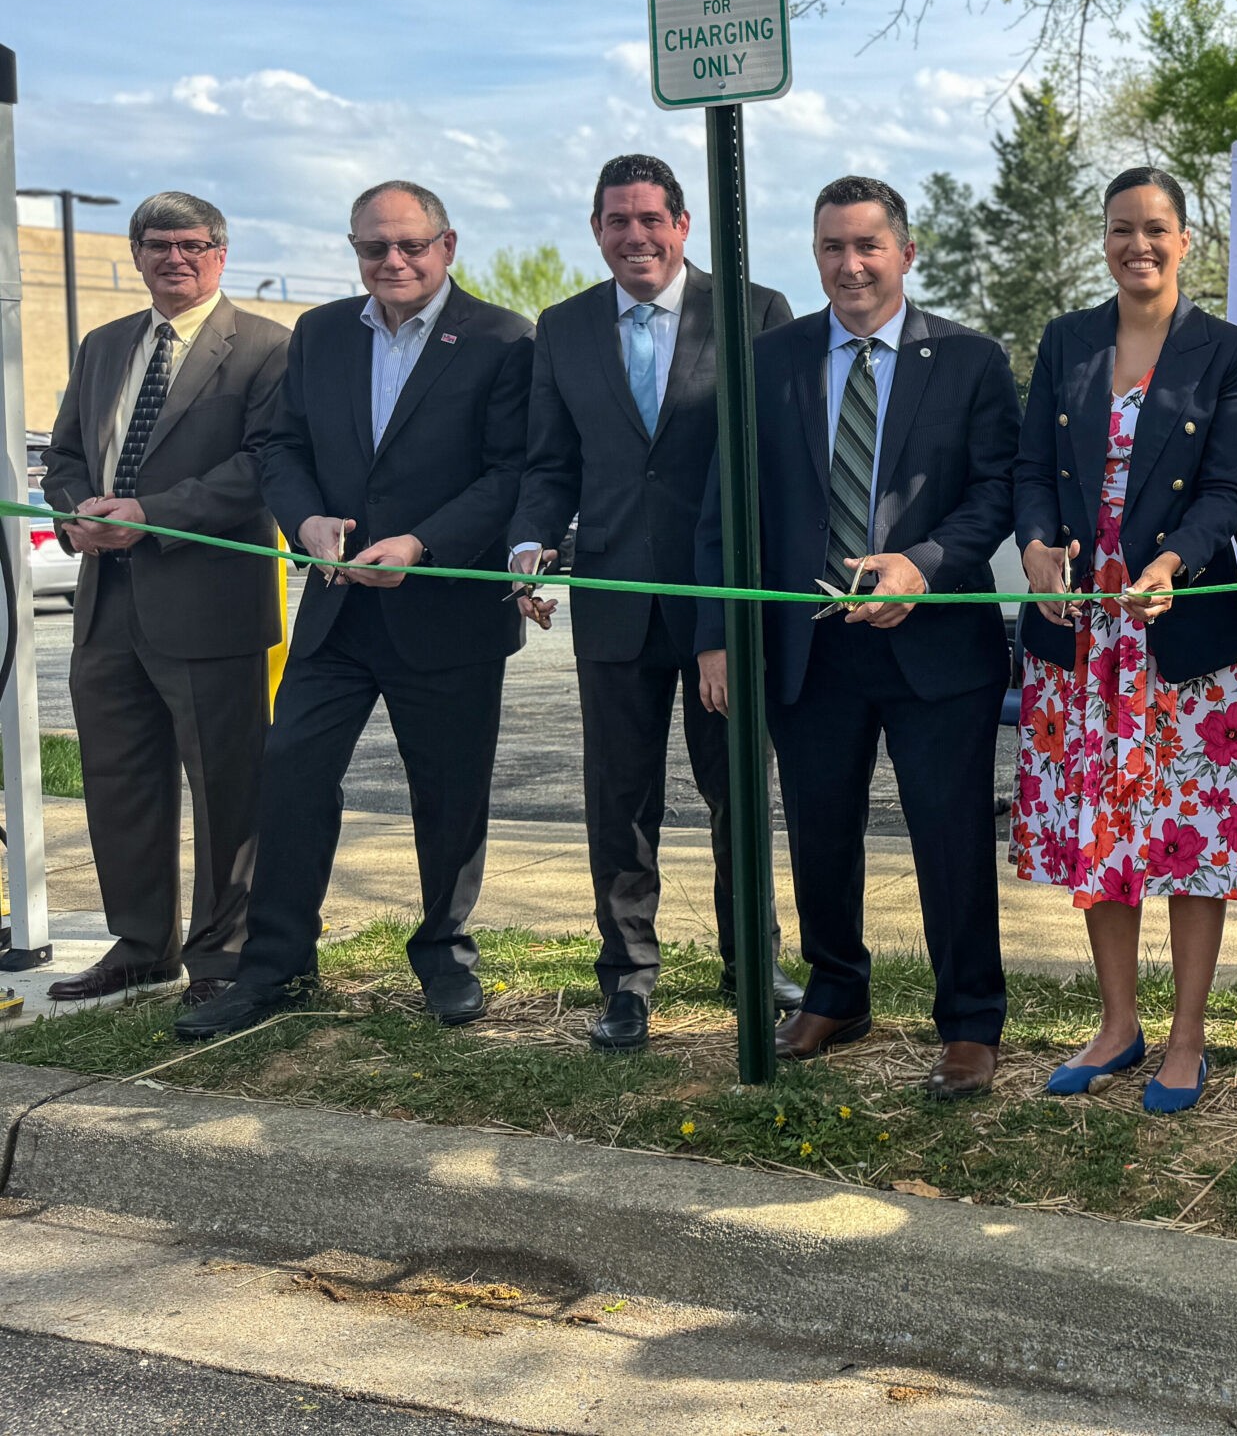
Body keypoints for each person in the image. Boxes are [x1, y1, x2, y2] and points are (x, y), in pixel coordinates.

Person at [177, 181, 535, 1041]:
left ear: (447, 244)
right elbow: (281, 445)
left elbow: (511, 473)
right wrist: (303, 522)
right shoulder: (323, 332)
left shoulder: (502, 339)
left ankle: (445, 951)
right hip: (337, 611)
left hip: (446, 609)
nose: (393, 262)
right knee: (292, 771)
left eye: (409, 244)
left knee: (448, 794)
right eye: (373, 247)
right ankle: (276, 965)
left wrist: (421, 543)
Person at [696, 176, 1019, 1095]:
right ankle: (836, 990)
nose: (850, 265)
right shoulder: (769, 360)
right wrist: (717, 633)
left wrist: (924, 562)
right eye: (832, 247)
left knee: (950, 837)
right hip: (811, 646)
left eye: (868, 246)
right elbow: (726, 506)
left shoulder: (969, 359)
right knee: (820, 831)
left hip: (936, 645)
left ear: (905, 253)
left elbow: (995, 491)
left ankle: (968, 1021)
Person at [508, 154, 799, 1052]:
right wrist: (528, 545)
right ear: (597, 231)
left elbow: (768, 465)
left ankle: (753, 959)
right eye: (616, 221)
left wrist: (730, 615)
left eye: (650, 219)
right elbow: (551, 462)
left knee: (736, 791)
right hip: (612, 603)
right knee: (620, 800)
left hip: (721, 603)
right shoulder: (563, 327)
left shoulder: (755, 314)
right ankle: (628, 978)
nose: (634, 236)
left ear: (682, 226)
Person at [1013, 167, 1237, 1114]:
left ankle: (1189, 1036)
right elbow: (1030, 466)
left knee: (1192, 838)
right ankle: (1118, 1026)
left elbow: (1230, 491)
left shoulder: (1227, 349)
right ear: (1104, 239)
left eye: (1156, 229)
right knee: (1100, 831)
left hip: (1176, 633)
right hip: (1081, 642)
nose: (1138, 245)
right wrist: (1038, 548)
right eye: (1122, 229)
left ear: (1185, 239)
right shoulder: (1067, 339)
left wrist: (1175, 565)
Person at [39, 192, 291, 1006]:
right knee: (120, 782)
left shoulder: (266, 349)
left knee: (226, 790)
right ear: (138, 252)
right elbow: (67, 454)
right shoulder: (103, 344)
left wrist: (150, 516)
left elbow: (259, 468)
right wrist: (76, 513)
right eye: (157, 244)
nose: (173, 258)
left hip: (209, 605)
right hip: (106, 602)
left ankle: (221, 956)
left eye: (191, 244)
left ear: (222, 251)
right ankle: (142, 942)